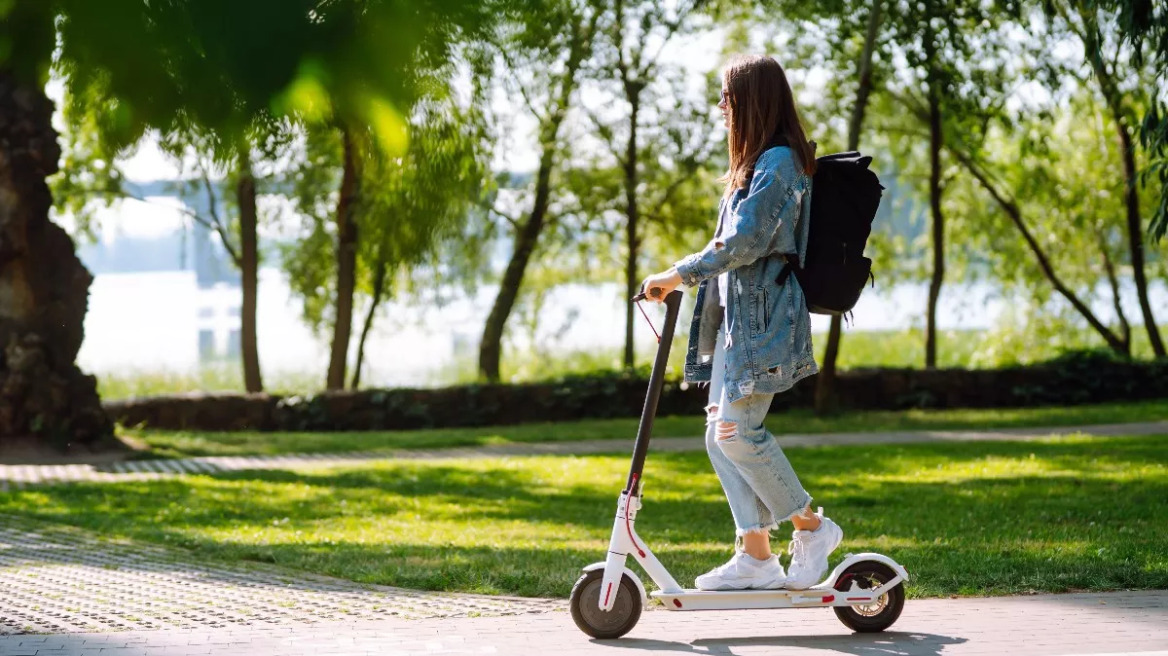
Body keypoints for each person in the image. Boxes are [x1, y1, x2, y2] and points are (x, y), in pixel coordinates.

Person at [639, 54, 842, 591]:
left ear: (753, 100)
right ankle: (756, 556)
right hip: (736, 325)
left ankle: (812, 527)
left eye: (727, 97)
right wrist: (681, 281)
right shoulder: (754, 165)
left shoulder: (779, 163)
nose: (721, 107)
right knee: (718, 436)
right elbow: (728, 248)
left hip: (766, 323)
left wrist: (677, 273)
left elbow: (744, 243)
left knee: (737, 434)